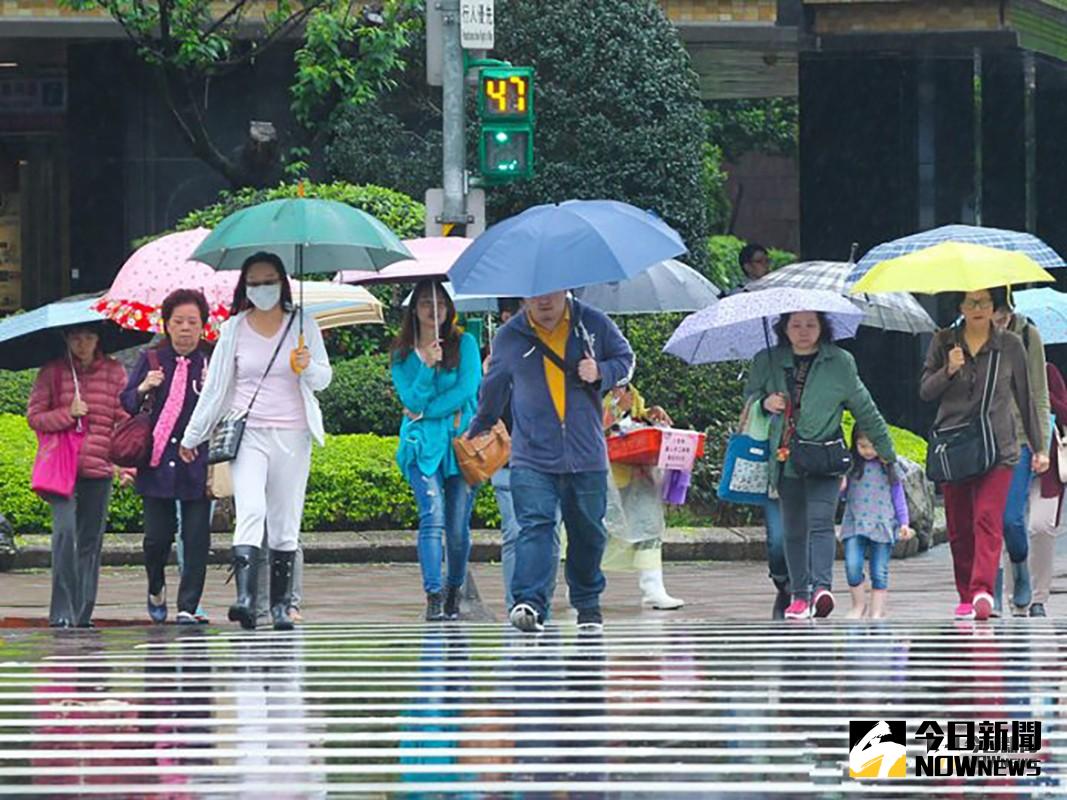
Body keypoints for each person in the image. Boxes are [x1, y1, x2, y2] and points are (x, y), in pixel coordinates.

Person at [181, 251, 332, 631]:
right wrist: (193, 436)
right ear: (244, 287)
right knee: (251, 509)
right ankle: (246, 600)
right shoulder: (234, 328)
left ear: (282, 283)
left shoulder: (303, 324)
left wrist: (306, 366)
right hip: (248, 433)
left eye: (269, 281)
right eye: (254, 283)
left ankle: (281, 606)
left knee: (285, 519)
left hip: (293, 434)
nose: (262, 289)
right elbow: (216, 388)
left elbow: (323, 379)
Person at [468, 291, 635, 634]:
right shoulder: (510, 335)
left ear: (565, 288)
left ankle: (587, 604)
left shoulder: (592, 323)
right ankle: (530, 602)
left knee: (588, 532)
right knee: (535, 526)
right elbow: (494, 387)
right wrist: (480, 426)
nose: (543, 301)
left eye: (550, 293)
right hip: (531, 455)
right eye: (534, 295)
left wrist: (601, 371)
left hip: (586, 453)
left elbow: (626, 360)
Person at [745, 310, 896, 621]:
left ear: (823, 327)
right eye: (796, 324)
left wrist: (887, 452)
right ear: (784, 328)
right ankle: (799, 595)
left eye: (811, 324)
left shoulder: (840, 362)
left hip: (825, 457)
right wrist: (764, 402)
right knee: (793, 529)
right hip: (785, 457)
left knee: (821, 522)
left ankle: (821, 590)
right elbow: (748, 399)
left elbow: (865, 409)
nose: (804, 331)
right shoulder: (767, 360)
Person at [920, 288, 1048, 621]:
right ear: (960, 306)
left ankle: (982, 590)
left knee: (989, 519)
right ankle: (966, 594)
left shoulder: (1011, 344)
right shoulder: (943, 341)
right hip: (955, 447)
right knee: (959, 527)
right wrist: (948, 370)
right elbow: (925, 391)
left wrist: (1039, 447)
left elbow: (1027, 397)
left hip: (999, 446)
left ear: (994, 306)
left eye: (985, 302)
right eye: (971, 302)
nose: (978, 308)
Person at [121, 289, 213, 625]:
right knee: (156, 539)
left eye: (193, 321)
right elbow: (127, 402)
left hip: (197, 463)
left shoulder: (212, 362)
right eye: (179, 321)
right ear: (167, 325)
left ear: (203, 326)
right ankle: (155, 585)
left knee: (196, 538)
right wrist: (145, 386)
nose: (186, 328)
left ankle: (188, 605)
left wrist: (212, 387)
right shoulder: (152, 360)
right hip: (157, 463)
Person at [391, 279, 481, 622]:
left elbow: (467, 390)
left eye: (441, 303)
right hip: (420, 446)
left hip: (460, 445)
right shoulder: (402, 355)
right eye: (427, 304)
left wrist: (427, 412)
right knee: (432, 516)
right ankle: (433, 595)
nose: (434, 310)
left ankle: (453, 590)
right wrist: (427, 366)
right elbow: (410, 399)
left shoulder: (465, 344)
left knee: (457, 528)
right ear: (414, 310)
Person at [27, 325, 129, 628]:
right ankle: (62, 610)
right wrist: (67, 414)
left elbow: (124, 419)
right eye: (75, 338)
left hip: (99, 467)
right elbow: (34, 417)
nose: (82, 344)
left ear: (98, 340)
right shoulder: (53, 372)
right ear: (66, 340)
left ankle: (82, 612)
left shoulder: (114, 372)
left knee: (90, 542)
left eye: (88, 338)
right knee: (65, 534)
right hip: (62, 469)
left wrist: (127, 465)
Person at [601, 384, 683, 609]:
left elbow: (636, 418)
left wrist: (650, 415)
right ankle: (581, 586)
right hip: (605, 477)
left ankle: (653, 589)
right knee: (598, 533)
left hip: (638, 475)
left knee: (649, 527)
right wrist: (616, 409)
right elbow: (589, 427)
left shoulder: (630, 390)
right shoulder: (590, 387)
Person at [992, 297, 1050, 616]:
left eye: (1001, 316)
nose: (996, 322)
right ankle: (992, 589)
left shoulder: (1028, 336)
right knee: (986, 519)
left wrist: (1041, 446)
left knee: (1011, 517)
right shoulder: (966, 337)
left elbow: (1039, 393)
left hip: (1019, 438)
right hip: (983, 440)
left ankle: (1019, 566)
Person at [1006, 361, 1067, 618]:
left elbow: (1065, 412)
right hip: (1011, 461)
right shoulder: (1000, 373)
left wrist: (1042, 396)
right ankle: (1016, 599)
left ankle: (1039, 597)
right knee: (1011, 525)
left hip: (1047, 468)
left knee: (1041, 527)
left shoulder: (1048, 372)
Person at [840, 429, 914, 620]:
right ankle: (859, 605)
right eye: (862, 446)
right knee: (852, 566)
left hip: (882, 523)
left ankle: (877, 610)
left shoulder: (889, 467)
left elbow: (898, 497)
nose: (868, 451)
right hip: (855, 522)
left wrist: (904, 522)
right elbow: (841, 495)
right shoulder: (851, 466)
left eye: (873, 446)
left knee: (879, 571)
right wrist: (840, 486)